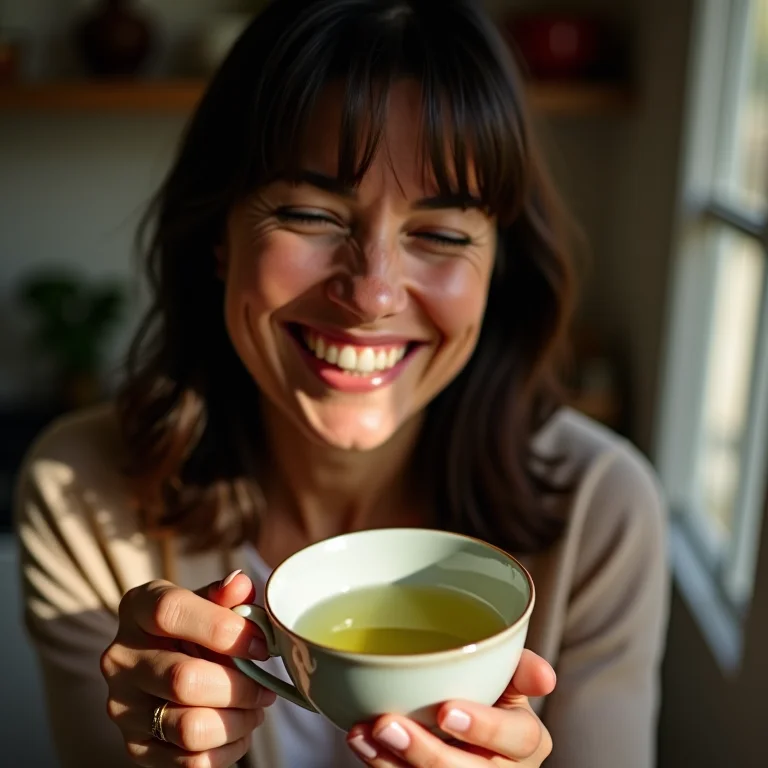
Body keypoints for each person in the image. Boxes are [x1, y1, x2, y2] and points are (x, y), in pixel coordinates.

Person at [15, 1, 669, 766]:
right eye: (309, 213)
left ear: (498, 267)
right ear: (218, 236)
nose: (373, 294)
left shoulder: (602, 513)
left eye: (441, 233)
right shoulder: (82, 494)